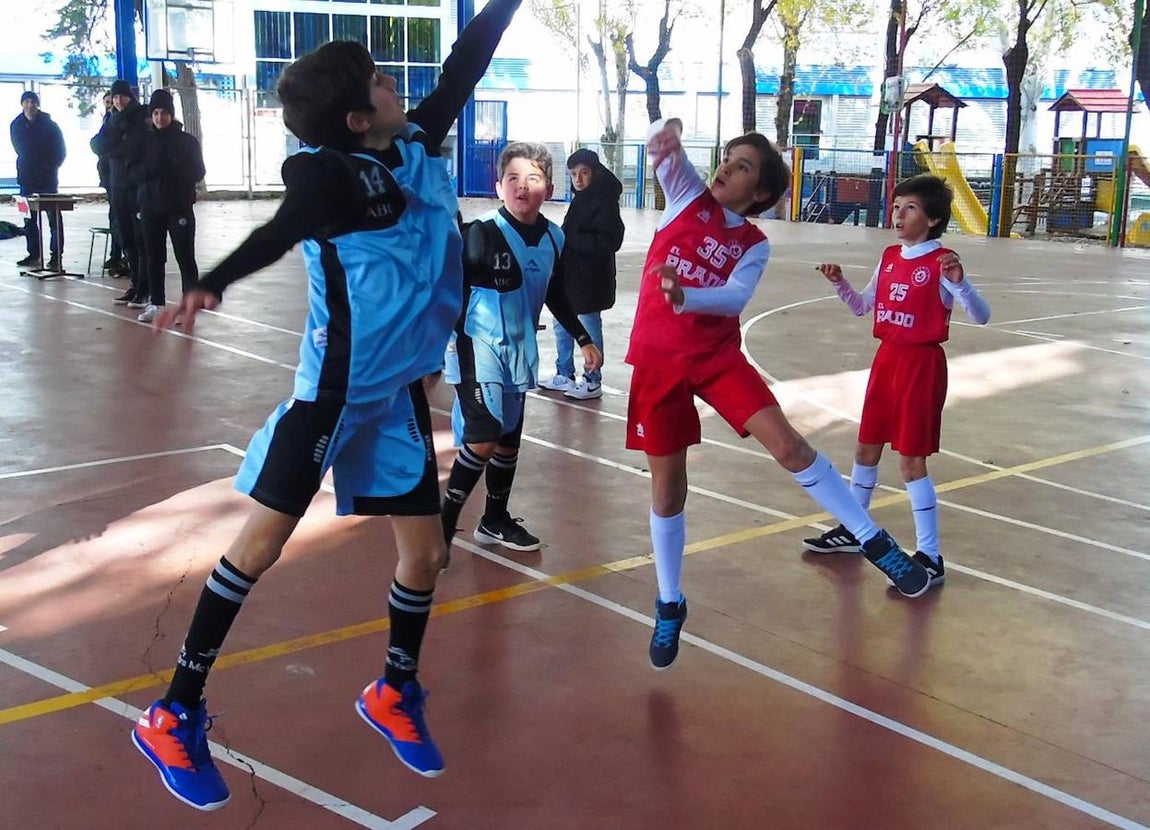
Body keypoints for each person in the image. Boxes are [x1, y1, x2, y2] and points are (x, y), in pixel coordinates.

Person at [130, 1, 523, 811]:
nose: (395, 84)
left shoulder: (411, 140)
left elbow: (467, 61)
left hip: (396, 391)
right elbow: (286, 227)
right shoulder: (327, 174)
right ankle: (174, 711)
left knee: (427, 556)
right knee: (259, 547)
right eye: (382, 81)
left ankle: (392, 692)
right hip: (334, 395)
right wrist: (212, 281)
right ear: (353, 116)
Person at [628, 119, 931, 671]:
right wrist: (666, 132)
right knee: (668, 490)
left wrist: (685, 293)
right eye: (727, 158)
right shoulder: (684, 199)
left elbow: (732, 297)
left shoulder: (753, 244)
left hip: (717, 358)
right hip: (659, 360)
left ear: (761, 192)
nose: (725, 168)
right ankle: (670, 601)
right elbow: (661, 148)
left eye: (742, 166)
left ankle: (872, 538)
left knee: (790, 446)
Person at [803, 173, 991, 586]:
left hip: (921, 366)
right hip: (886, 360)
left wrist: (962, 285)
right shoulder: (890, 256)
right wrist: (840, 284)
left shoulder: (942, 262)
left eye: (910, 208)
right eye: (896, 206)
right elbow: (862, 307)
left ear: (933, 218)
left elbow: (981, 315)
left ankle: (931, 554)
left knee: (910, 461)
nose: (899, 214)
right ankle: (856, 528)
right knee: (866, 448)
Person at [440, 142, 602, 559]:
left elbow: (556, 293)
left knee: (508, 440)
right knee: (484, 435)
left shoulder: (554, 237)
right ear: (498, 186)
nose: (521, 186)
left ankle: (493, 520)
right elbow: (448, 294)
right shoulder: (479, 234)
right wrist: (435, 348)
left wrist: (583, 339)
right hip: (476, 346)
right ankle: (441, 527)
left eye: (532, 178)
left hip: (519, 348)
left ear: (548, 187)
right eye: (512, 178)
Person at [537, 148, 624, 400]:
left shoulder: (604, 200)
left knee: (588, 326)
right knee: (561, 323)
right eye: (574, 174)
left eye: (584, 173)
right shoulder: (581, 198)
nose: (578, 179)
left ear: (594, 173)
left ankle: (592, 380)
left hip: (591, 279)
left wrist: (570, 239)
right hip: (570, 276)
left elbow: (611, 240)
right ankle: (564, 373)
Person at [133, 89, 206, 324]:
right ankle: (156, 302)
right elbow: (132, 171)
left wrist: (174, 168)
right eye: (155, 113)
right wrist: (147, 174)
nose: (159, 117)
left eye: (164, 113)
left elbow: (198, 171)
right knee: (153, 256)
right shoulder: (143, 141)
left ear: (171, 115)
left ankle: (189, 306)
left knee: (185, 257)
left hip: (179, 207)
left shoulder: (187, 142)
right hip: (151, 207)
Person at [91, 79, 149, 306]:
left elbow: (133, 147)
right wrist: (114, 144)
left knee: (140, 239)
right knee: (126, 239)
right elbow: (96, 143)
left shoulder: (140, 117)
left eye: (122, 97)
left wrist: (112, 147)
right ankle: (135, 285)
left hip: (134, 189)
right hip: (116, 187)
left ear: (129, 97)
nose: (118, 101)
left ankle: (145, 287)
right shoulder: (111, 119)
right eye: (115, 97)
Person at [9, 91, 66, 271]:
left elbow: (60, 151)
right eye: (27, 102)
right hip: (25, 179)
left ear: (38, 104)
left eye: (33, 102)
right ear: (22, 104)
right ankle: (33, 253)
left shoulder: (50, 126)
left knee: (53, 218)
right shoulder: (16, 125)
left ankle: (56, 255)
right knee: (28, 218)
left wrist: (50, 166)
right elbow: (22, 149)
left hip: (48, 180)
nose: (30, 105)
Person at [91, 91, 126, 275]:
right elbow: (97, 143)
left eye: (111, 101)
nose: (110, 105)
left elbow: (111, 145)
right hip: (109, 177)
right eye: (107, 102)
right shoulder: (107, 120)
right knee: (114, 217)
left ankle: (123, 256)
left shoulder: (121, 122)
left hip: (121, 178)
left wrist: (107, 148)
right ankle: (116, 254)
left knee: (120, 218)